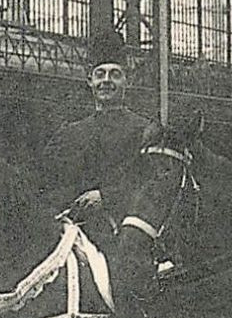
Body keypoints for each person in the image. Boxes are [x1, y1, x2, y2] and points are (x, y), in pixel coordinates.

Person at [41, 29, 150, 218]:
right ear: (89, 80)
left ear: (128, 81)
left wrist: (107, 197)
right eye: (100, 74)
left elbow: (151, 186)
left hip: (124, 232)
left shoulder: (145, 131)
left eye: (115, 74)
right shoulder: (70, 134)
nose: (106, 80)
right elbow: (46, 182)